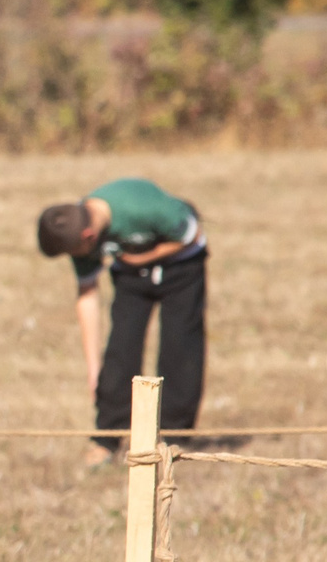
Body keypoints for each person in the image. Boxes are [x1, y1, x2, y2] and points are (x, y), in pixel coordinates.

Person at [35, 178, 208, 463]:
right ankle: (107, 438)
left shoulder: (142, 209)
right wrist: (94, 369)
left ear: (89, 236)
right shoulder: (76, 231)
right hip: (131, 273)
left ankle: (174, 439)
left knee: (180, 346)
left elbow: (191, 233)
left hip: (183, 264)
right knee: (120, 348)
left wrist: (142, 259)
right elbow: (87, 296)